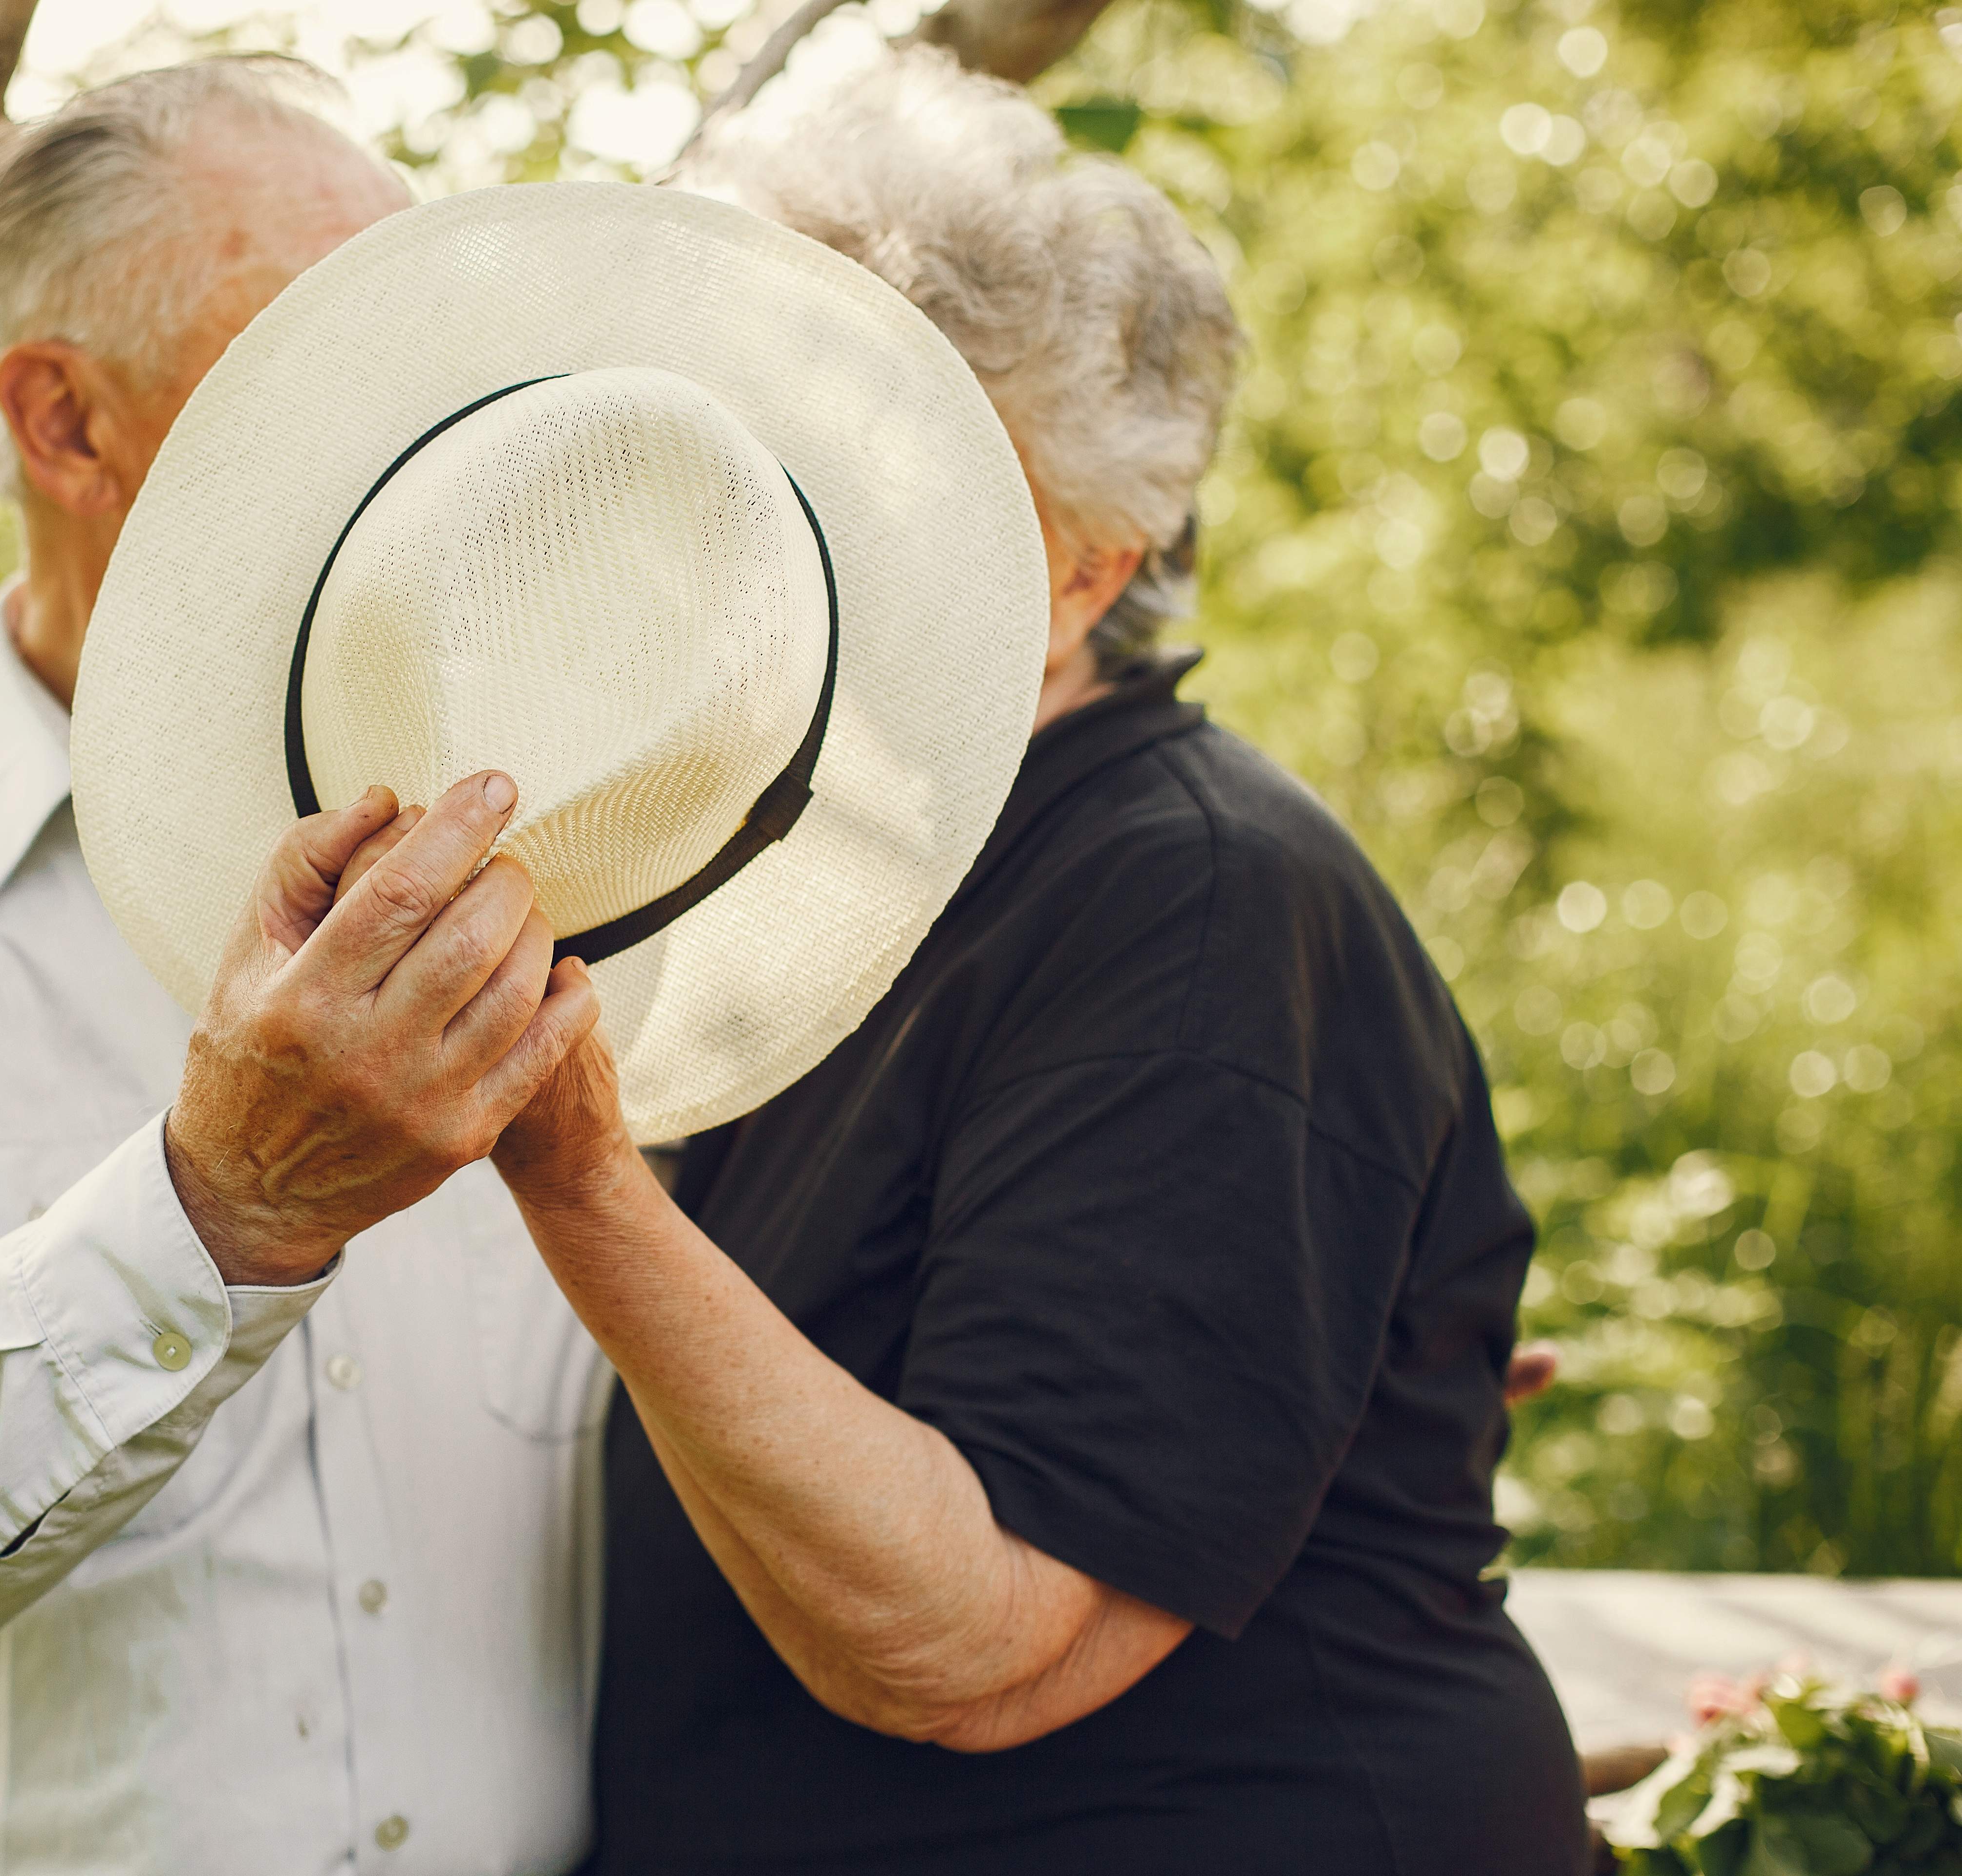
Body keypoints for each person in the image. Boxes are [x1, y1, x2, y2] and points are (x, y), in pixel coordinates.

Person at [464, 52, 1591, 1873]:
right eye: (765, 445)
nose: (788, 530)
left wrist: (578, 1173)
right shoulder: (820, 862)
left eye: (897, 478)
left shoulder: (1191, 902)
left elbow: (978, 1646)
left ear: (1091, 565)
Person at [0, 63, 615, 1876]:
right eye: (331, 360)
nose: (430, 436)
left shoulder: (579, 840)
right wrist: (208, 1212)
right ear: (68, 422)